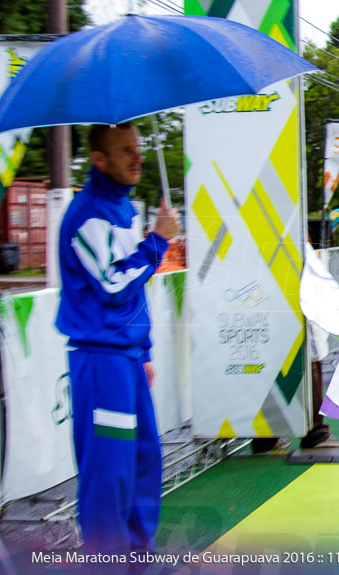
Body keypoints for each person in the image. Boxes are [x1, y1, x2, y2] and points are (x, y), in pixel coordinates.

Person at [56, 122, 181, 556]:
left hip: (126, 358)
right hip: (100, 362)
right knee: (109, 475)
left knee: (144, 464)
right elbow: (113, 284)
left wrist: (143, 350)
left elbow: (134, 294)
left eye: (138, 148)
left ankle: (136, 560)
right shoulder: (86, 213)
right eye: (126, 150)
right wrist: (158, 241)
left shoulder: (124, 208)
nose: (137, 157)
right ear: (98, 159)